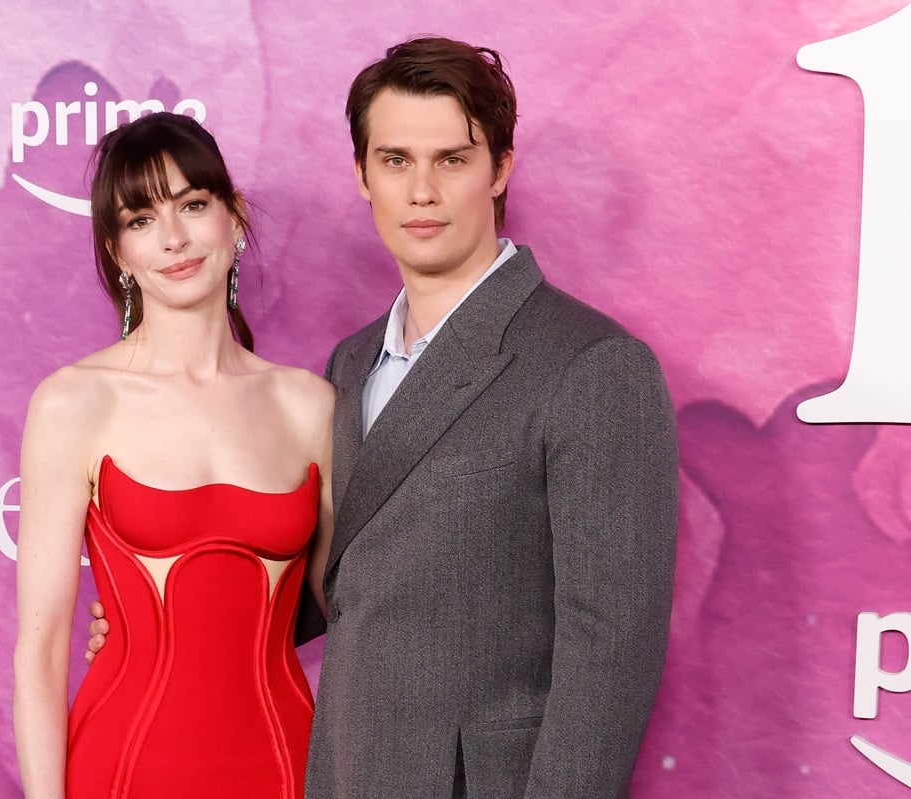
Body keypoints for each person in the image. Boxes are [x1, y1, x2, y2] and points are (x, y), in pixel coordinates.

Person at [90, 37, 678, 799]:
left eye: (452, 159)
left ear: (500, 168)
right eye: (396, 160)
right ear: (363, 175)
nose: (422, 192)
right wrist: (164, 619)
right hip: (342, 769)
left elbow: (612, 653)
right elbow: (346, 584)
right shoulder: (350, 362)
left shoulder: (592, 365)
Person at [13, 112, 335, 799]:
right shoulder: (74, 402)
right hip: (124, 767)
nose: (173, 239)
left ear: (234, 217)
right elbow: (39, 655)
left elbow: (362, 610)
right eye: (140, 219)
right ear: (117, 249)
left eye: (193, 205)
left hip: (288, 767)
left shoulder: (310, 405)